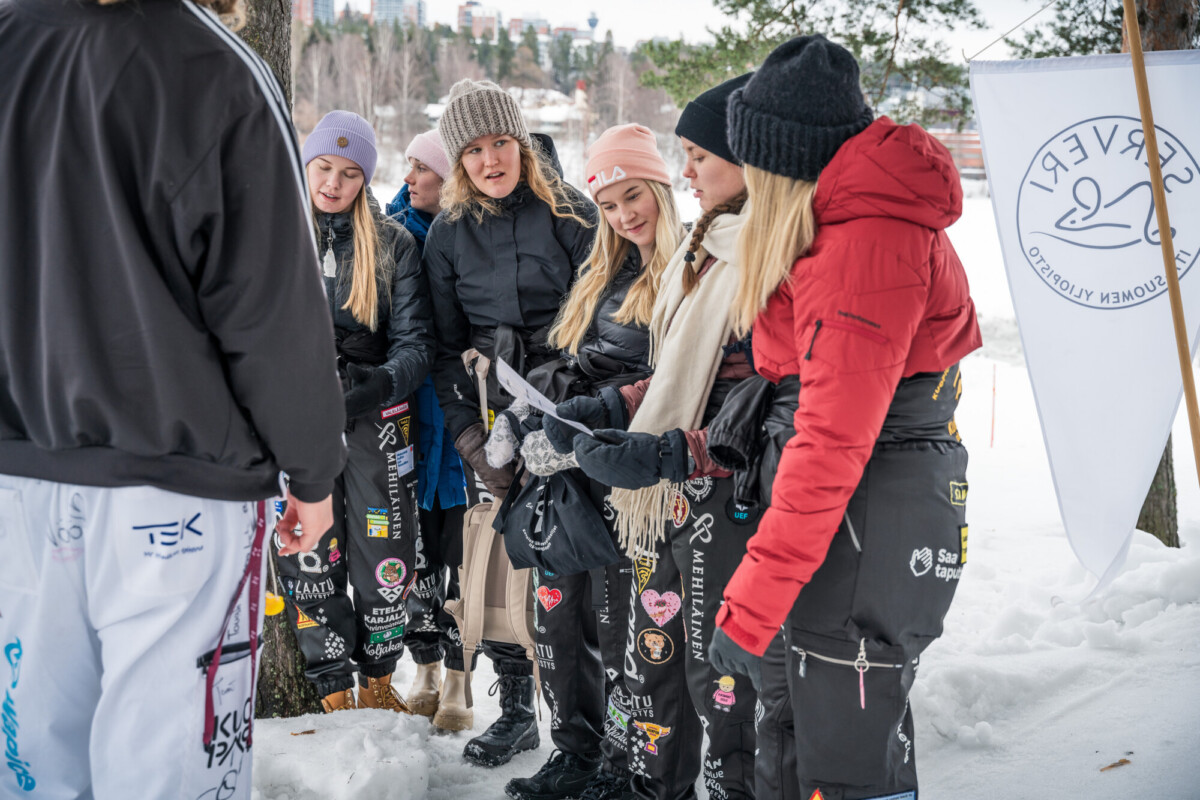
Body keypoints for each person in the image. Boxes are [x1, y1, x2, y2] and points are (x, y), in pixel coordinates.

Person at [0, 1, 346, 798]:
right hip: (175, 487)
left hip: (23, 473)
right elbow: (273, 309)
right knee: (168, 769)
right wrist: (313, 472)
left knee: (33, 767)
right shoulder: (213, 68)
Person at [706, 35, 981, 800]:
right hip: (854, 521)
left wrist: (753, 603)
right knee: (801, 738)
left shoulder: (865, 244)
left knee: (844, 768)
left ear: (783, 162)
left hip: (865, 525)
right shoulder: (840, 226)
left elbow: (832, 440)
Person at [547, 74, 767, 800]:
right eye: (606, 204)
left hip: (721, 488)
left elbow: (760, 391)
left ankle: (719, 782)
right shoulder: (696, 253)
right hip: (661, 486)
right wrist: (604, 406)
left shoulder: (753, 251)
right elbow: (672, 370)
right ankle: (650, 780)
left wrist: (674, 448)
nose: (689, 172)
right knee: (653, 649)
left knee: (715, 667)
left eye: (698, 156)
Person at [497, 124, 685, 800]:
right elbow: (574, 356)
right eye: (608, 203)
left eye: (634, 195)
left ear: (660, 187)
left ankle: (618, 755)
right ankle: (572, 750)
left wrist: (591, 413)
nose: (624, 214)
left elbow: (669, 380)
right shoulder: (603, 270)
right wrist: (532, 405)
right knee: (559, 615)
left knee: (619, 621)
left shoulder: (684, 269)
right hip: (570, 464)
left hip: (627, 468)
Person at [423, 78, 598, 768]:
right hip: (493, 419)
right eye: (473, 150)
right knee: (499, 569)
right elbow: (442, 349)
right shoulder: (447, 234)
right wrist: (472, 441)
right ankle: (519, 712)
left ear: (522, 143)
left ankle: (587, 731)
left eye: (501, 143)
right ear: (459, 161)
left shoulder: (574, 214)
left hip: (572, 415)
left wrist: (565, 414)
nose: (490, 160)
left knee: (575, 578)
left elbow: (604, 324)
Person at [275, 110, 434, 714]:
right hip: (298, 417)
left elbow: (418, 345)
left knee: (384, 551)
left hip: (377, 418)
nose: (333, 184)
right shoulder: (279, 232)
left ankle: (377, 676)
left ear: (365, 180)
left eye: (349, 173)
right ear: (307, 166)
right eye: (324, 168)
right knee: (312, 551)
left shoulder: (395, 244)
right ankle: (333, 685)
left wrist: (376, 385)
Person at [386, 130, 475, 731]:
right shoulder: (389, 234)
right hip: (406, 412)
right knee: (409, 544)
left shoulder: (471, 235)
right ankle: (421, 666)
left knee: (462, 550)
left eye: (423, 169)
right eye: (411, 167)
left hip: (463, 411)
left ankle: (462, 676)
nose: (410, 177)